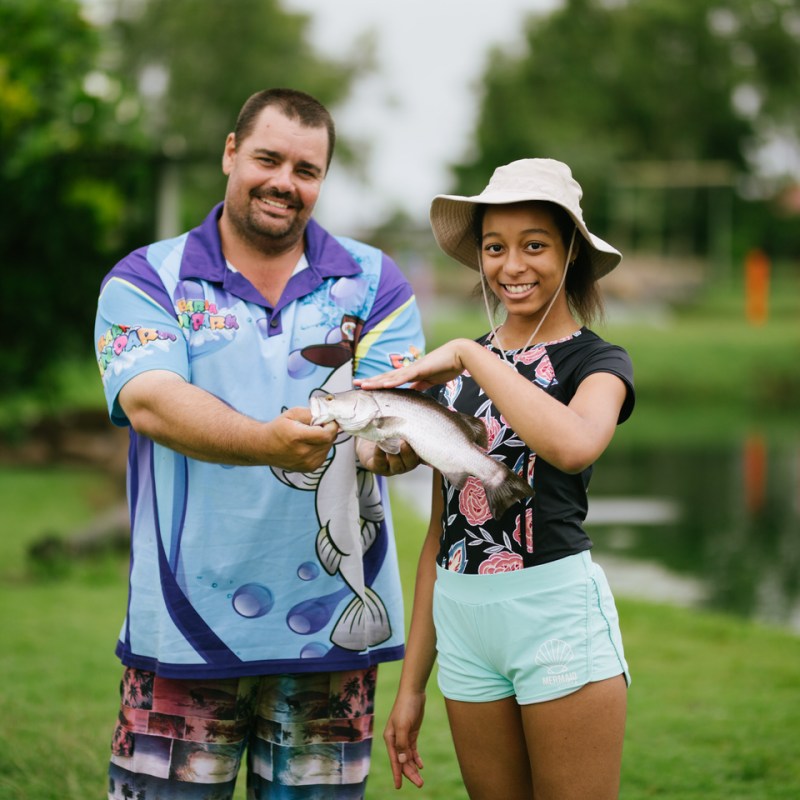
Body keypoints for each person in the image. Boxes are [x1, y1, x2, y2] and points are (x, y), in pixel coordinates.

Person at [94, 88, 425, 800]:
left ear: (322, 180)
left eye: (306, 169)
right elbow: (150, 399)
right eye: (268, 159)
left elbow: (385, 420)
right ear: (230, 153)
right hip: (183, 633)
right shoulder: (148, 277)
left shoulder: (375, 283)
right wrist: (266, 443)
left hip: (333, 638)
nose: (285, 182)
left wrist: (394, 448)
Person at [358, 158, 635, 799]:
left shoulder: (597, 362)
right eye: (495, 248)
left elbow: (572, 445)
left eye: (534, 245)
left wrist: (467, 354)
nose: (512, 266)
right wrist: (410, 688)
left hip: (553, 617)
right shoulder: (453, 376)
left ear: (570, 254)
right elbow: (440, 536)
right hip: (463, 624)